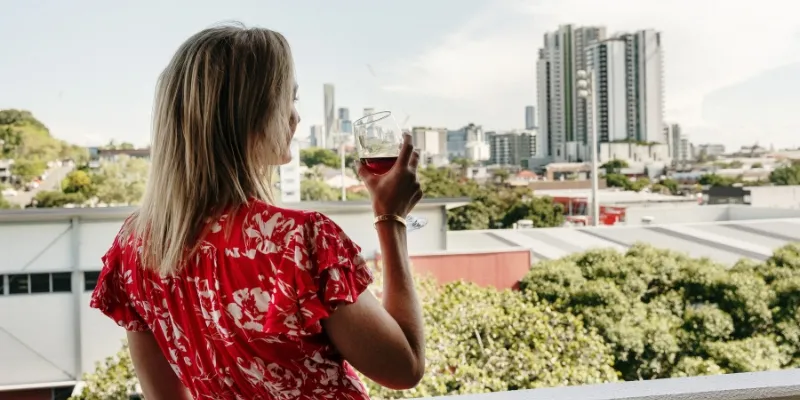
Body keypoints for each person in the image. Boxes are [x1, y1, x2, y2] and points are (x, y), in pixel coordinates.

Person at [90, 24, 425, 400]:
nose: (295, 118)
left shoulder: (133, 249)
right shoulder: (299, 241)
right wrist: (390, 218)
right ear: (248, 115)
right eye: (288, 100)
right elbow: (404, 367)